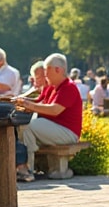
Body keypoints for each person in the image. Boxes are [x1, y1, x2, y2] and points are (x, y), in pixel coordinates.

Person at [12, 53, 85, 182]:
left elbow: (54, 110)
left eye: (47, 70)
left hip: (67, 132)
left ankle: (27, 168)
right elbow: (40, 102)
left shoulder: (69, 88)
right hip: (55, 129)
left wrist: (28, 104)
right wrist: (23, 102)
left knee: (29, 125)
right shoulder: (52, 87)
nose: (45, 74)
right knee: (24, 126)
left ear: (58, 70)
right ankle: (25, 167)